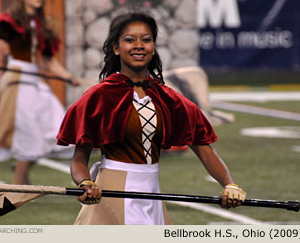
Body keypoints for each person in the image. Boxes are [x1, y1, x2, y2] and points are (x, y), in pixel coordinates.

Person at [57, 13, 246, 225]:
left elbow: (204, 149)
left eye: (146, 40)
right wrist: (86, 183)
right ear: (116, 48)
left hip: (152, 194)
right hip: (114, 192)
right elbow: (79, 159)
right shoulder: (99, 96)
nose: (139, 45)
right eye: (130, 40)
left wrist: (230, 185)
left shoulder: (167, 98)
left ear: (153, 47)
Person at [0, 0, 79, 185]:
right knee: (30, 133)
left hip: (34, 79)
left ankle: (22, 178)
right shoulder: (11, 20)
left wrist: (68, 76)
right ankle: (19, 183)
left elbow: (48, 60)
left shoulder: (41, 24)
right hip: (18, 80)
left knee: (56, 123)